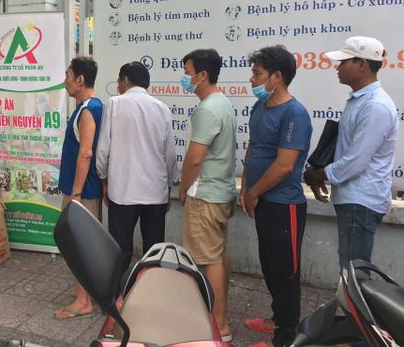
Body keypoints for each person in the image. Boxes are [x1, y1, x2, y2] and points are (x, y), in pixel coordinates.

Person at [304, 36, 398, 272]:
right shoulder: (361, 100)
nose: (337, 67)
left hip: (360, 201)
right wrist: (319, 172)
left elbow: (355, 162)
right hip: (354, 200)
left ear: (362, 65)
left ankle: (353, 299)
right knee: (350, 272)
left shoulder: (375, 106)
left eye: (343, 62)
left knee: (354, 275)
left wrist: (319, 175)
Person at [240, 45, 312, 347]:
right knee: (269, 265)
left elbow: (284, 165)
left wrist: (254, 193)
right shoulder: (261, 106)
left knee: (286, 271)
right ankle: (276, 319)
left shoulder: (294, 114)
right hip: (261, 201)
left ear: (277, 77)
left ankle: (285, 337)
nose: (252, 79)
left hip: (285, 205)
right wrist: (245, 188)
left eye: (257, 73)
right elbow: (253, 148)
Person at [178, 49, 237, 342]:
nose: (185, 78)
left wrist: (182, 187)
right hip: (221, 192)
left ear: (202, 75)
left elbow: (195, 158)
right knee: (219, 255)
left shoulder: (207, 109)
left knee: (208, 260)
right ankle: (220, 316)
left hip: (205, 195)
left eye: (188, 72)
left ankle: (220, 325)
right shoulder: (222, 103)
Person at [96, 61, 177, 273]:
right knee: (154, 251)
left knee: (119, 249)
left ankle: (117, 289)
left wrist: (103, 178)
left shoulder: (114, 104)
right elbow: (169, 154)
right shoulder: (162, 109)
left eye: (118, 81)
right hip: (155, 193)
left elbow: (103, 150)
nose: (117, 86)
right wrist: (169, 186)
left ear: (125, 80)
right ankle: (151, 288)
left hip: (123, 192)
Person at [55, 56, 103, 320]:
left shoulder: (88, 110)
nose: (65, 81)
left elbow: (86, 153)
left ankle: (84, 301)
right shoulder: (93, 107)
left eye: (68, 75)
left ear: (80, 80)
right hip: (84, 190)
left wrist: (75, 194)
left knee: (80, 246)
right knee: (81, 246)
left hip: (82, 192)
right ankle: (83, 295)